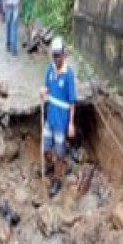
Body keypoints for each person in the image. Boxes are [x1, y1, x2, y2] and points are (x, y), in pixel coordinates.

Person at [39, 37, 77, 198]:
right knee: (46, 148)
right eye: (54, 55)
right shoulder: (49, 69)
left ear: (64, 54)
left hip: (62, 121)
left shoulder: (68, 74)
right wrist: (43, 90)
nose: (56, 59)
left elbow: (72, 101)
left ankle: (57, 180)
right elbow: (47, 87)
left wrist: (71, 124)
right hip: (50, 118)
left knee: (60, 153)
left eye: (58, 55)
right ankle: (49, 166)